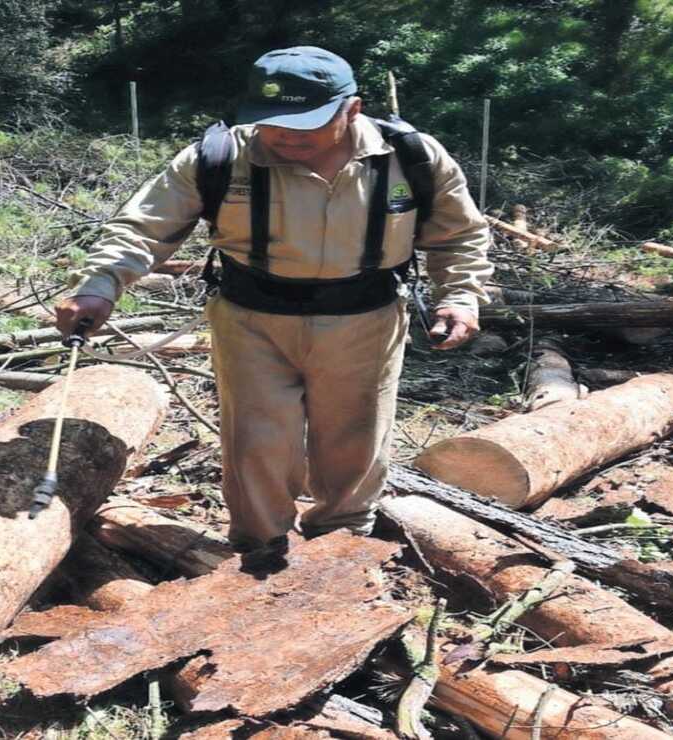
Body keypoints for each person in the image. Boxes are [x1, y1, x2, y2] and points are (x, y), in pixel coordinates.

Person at [55, 46, 492, 557]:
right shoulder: (218, 156)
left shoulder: (410, 157)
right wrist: (99, 286)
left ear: (351, 109)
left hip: (366, 320)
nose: (284, 136)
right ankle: (257, 548)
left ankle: (344, 548)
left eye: (303, 124)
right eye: (272, 122)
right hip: (252, 321)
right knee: (258, 444)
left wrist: (459, 296)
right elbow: (143, 229)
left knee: (355, 442)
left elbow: (459, 236)